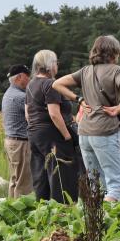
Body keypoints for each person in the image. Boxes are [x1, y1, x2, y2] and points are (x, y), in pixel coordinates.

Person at [53, 35, 120, 202]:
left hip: (85, 133)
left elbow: (57, 83)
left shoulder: (85, 71)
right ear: (114, 52)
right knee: (115, 184)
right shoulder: (117, 70)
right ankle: (108, 221)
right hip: (105, 132)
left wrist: (79, 100)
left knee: (95, 184)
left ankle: (93, 223)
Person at [26, 50, 78, 202]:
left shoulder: (31, 84)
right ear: (49, 65)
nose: (57, 66)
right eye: (55, 62)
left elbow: (27, 114)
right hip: (53, 135)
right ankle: (61, 212)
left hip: (35, 134)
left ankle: (42, 208)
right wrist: (67, 136)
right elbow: (54, 113)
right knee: (61, 176)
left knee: (41, 175)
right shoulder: (51, 84)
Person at [1, 64, 32, 198]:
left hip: (12, 142)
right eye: (27, 76)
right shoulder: (20, 97)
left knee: (15, 180)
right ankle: (22, 214)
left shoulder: (8, 94)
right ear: (20, 77)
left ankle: (12, 209)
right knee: (23, 184)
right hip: (21, 144)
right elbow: (32, 118)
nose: (29, 80)